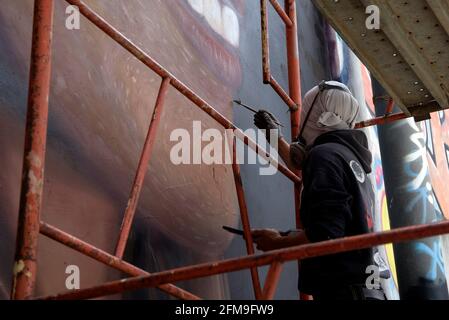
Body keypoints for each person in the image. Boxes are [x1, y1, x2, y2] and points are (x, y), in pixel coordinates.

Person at [251, 80, 386, 300]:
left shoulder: (324, 157)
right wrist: (275, 137)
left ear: (319, 117)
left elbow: (326, 233)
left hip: (344, 294)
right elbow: (343, 228)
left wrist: (278, 243)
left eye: (306, 112)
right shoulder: (350, 160)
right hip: (369, 291)